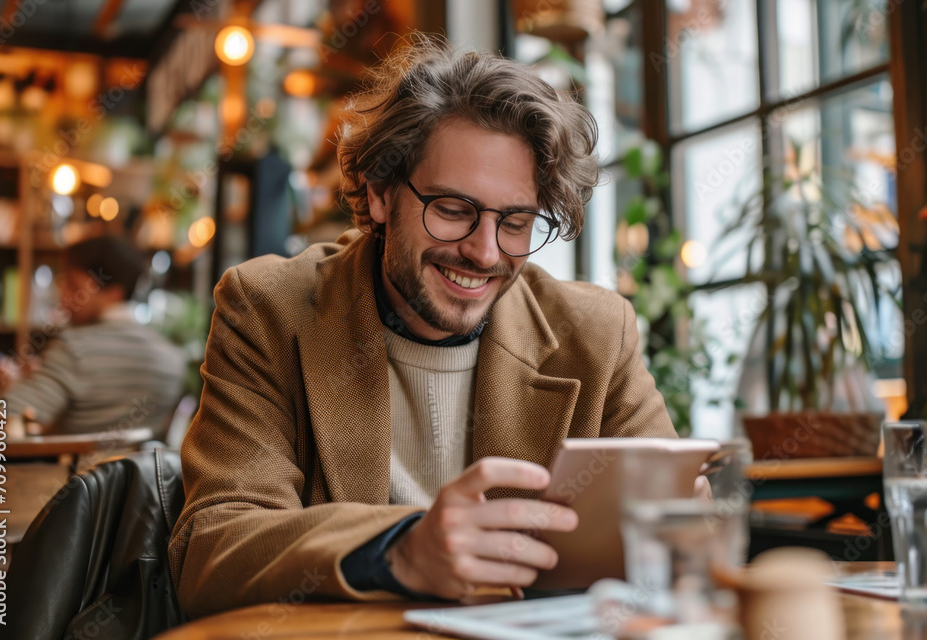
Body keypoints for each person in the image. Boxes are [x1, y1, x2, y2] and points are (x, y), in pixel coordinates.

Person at [169, 36, 675, 618]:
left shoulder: (596, 332)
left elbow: (675, 513)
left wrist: (683, 525)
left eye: (514, 222)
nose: (485, 253)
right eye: (454, 211)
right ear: (381, 193)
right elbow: (212, 550)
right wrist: (402, 549)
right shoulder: (269, 309)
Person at [0, 235, 186, 438]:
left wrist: (12, 386)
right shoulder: (173, 360)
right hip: (146, 470)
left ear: (114, 293)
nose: (63, 297)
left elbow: (7, 418)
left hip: (73, 469)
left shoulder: (74, 349)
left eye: (73, 287)